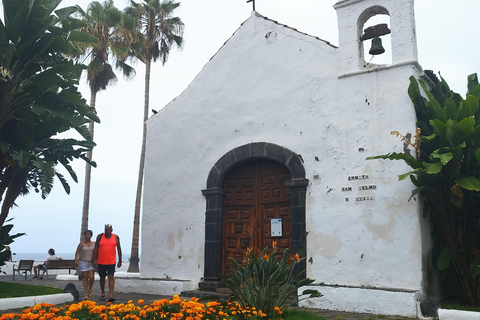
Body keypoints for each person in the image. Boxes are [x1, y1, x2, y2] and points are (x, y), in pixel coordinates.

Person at [93, 224, 122, 303]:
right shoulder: (100, 236)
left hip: (111, 261)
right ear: (104, 229)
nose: (107, 231)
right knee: (102, 277)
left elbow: (119, 249)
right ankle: (103, 293)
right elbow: (96, 248)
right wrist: (94, 259)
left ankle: (110, 295)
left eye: (109, 230)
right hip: (101, 261)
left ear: (111, 230)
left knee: (111, 277)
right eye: (106, 229)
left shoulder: (115, 237)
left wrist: (120, 260)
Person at [75, 230, 96, 300]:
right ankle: (86, 292)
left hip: (91, 262)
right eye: (86, 234)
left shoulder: (94, 244)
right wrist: (76, 259)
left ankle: (90, 289)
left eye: (89, 234)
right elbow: (77, 252)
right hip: (83, 262)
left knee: (92, 277)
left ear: (91, 235)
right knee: (85, 278)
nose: (87, 236)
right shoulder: (82, 244)